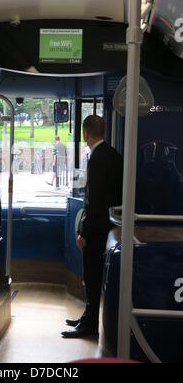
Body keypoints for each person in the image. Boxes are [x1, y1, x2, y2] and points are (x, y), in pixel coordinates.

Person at [62, 115, 123, 339]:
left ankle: (89, 325)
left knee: (92, 276)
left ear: (86, 133)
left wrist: (83, 233)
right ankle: (88, 318)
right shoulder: (114, 155)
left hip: (96, 230)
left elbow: (94, 201)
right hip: (110, 228)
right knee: (96, 277)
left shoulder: (96, 158)